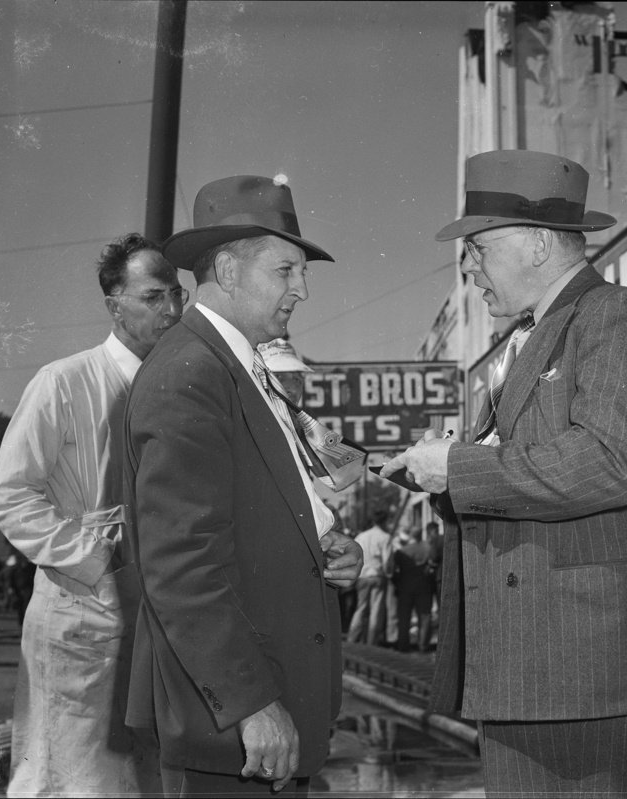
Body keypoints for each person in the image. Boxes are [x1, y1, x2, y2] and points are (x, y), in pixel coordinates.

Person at [382, 150, 627, 797]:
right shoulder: (529, 336)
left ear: (540, 244)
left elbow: (606, 460)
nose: (467, 266)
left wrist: (459, 466)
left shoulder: (613, 314)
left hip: (575, 664)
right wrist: (436, 477)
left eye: (479, 247)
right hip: (529, 662)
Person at [124, 174, 364, 796]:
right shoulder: (191, 372)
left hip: (262, 716)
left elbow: (259, 510)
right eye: (286, 270)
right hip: (235, 726)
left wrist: (325, 546)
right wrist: (252, 704)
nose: (303, 290)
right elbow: (181, 561)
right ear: (227, 269)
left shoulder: (238, 365)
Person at [0, 232, 183, 796]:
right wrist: (98, 558)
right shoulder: (64, 383)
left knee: (143, 780)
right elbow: (10, 497)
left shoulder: (178, 390)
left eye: (178, 294)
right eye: (153, 296)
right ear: (113, 304)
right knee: (69, 779)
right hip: (83, 617)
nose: (171, 310)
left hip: (156, 623)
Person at [347, 509, 393, 646]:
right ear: (385, 521)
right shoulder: (385, 537)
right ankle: (371, 642)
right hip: (377, 575)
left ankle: (352, 638)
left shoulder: (361, 536)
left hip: (362, 575)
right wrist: (388, 573)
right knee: (376, 610)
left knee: (360, 608)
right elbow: (387, 561)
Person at [389, 525, 434, 653]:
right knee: (424, 616)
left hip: (405, 587)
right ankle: (423, 645)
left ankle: (403, 645)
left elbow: (394, 571)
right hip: (424, 587)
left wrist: (396, 584)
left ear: (411, 535)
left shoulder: (402, 551)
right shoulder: (428, 549)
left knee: (404, 617)